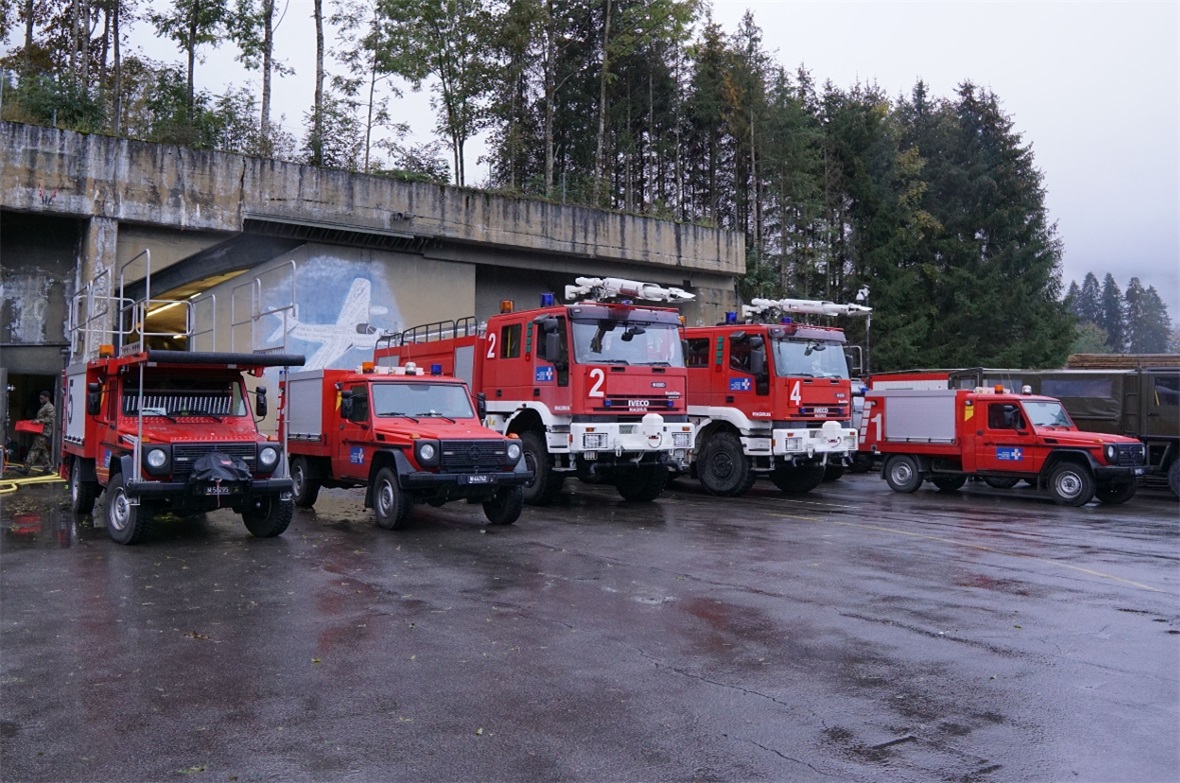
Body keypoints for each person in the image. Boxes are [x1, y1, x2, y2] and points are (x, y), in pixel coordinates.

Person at [26, 390, 55, 471]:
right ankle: (47, 468)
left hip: (44, 432)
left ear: (47, 398)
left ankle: (26, 468)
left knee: (35, 449)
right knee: (42, 450)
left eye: (42, 398)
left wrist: (40, 421)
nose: (40, 400)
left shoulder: (50, 407)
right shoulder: (44, 406)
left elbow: (51, 419)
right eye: (40, 398)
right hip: (40, 431)